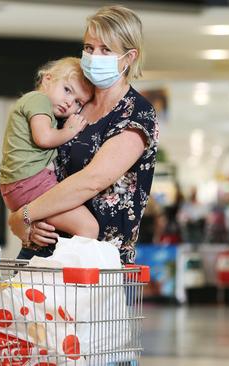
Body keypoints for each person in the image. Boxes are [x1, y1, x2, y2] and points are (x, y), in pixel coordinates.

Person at [8, 5, 159, 264]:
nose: (93, 56)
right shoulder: (73, 104)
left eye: (105, 49)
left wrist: (22, 215)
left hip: (93, 263)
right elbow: (31, 161)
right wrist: (21, 218)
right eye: (89, 48)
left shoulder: (136, 115)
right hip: (42, 252)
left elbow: (93, 180)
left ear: (129, 57)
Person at [0, 57, 98, 243]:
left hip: (21, 185)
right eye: (67, 90)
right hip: (30, 183)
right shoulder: (38, 100)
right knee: (88, 227)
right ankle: (67, 271)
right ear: (47, 79)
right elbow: (44, 138)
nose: (70, 103)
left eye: (78, 102)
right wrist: (70, 130)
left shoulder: (43, 108)